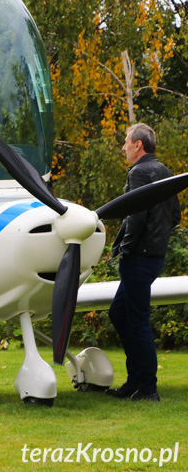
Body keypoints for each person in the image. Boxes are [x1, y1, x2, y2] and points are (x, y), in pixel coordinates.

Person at [106, 123, 180, 402]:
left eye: (126, 142)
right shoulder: (164, 171)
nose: (123, 147)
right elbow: (175, 217)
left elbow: (134, 215)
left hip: (138, 257)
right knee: (118, 313)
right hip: (154, 257)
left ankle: (148, 389)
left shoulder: (139, 172)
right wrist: (156, 240)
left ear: (138, 145)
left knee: (137, 321)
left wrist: (125, 248)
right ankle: (135, 381)